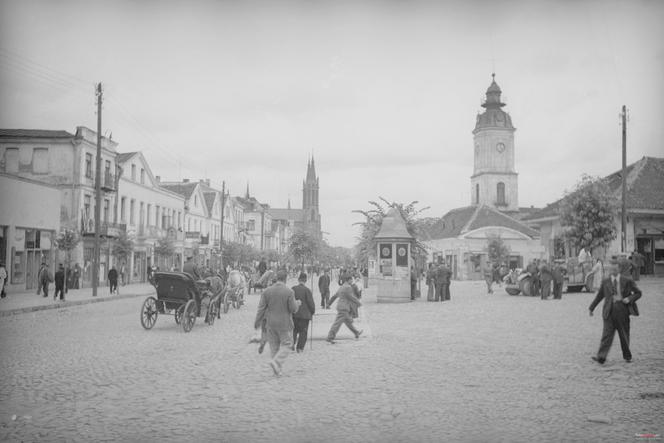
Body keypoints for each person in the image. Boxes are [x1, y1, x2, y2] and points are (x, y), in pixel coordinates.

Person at [589, 257, 642, 364]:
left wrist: (629, 299)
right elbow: (599, 296)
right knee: (606, 335)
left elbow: (638, 293)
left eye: (615, 269)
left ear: (619, 269)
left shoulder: (627, 281)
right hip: (609, 311)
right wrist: (591, 308)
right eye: (611, 269)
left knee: (624, 334)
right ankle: (601, 357)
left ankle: (627, 356)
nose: (612, 271)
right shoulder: (606, 282)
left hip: (622, 310)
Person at [254, 270, 300, 376]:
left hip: (270, 323)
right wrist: (297, 303)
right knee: (287, 344)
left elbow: (261, 309)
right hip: (284, 323)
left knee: (274, 347)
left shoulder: (267, 291)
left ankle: (277, 370)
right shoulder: (289, 292)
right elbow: (293, 309)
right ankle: (276, 362)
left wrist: (257, 322)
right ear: (285, 278)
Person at [326, 273, 363, 344]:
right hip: (344, 308)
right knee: (337, 324)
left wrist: (329, 303)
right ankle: (330, 337)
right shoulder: (348, 287)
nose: (352, 281)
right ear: (349, 280)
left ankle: (356, 332)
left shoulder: (342, 286)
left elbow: (335, 296)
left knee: (348, 322)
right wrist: (358, 303)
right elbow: (351, 297)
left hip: (341, 306)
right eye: (351, 280)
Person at [292, 273, 315, 353]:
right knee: (303, 332)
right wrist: (312, 312)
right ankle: (300, 348)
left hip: (294, 314)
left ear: (298, 280)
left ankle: (291, 345)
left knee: (293, 330)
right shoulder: (307, 290)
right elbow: (311, 303)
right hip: (305, 316)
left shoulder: (293, 289)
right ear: (305, 280)